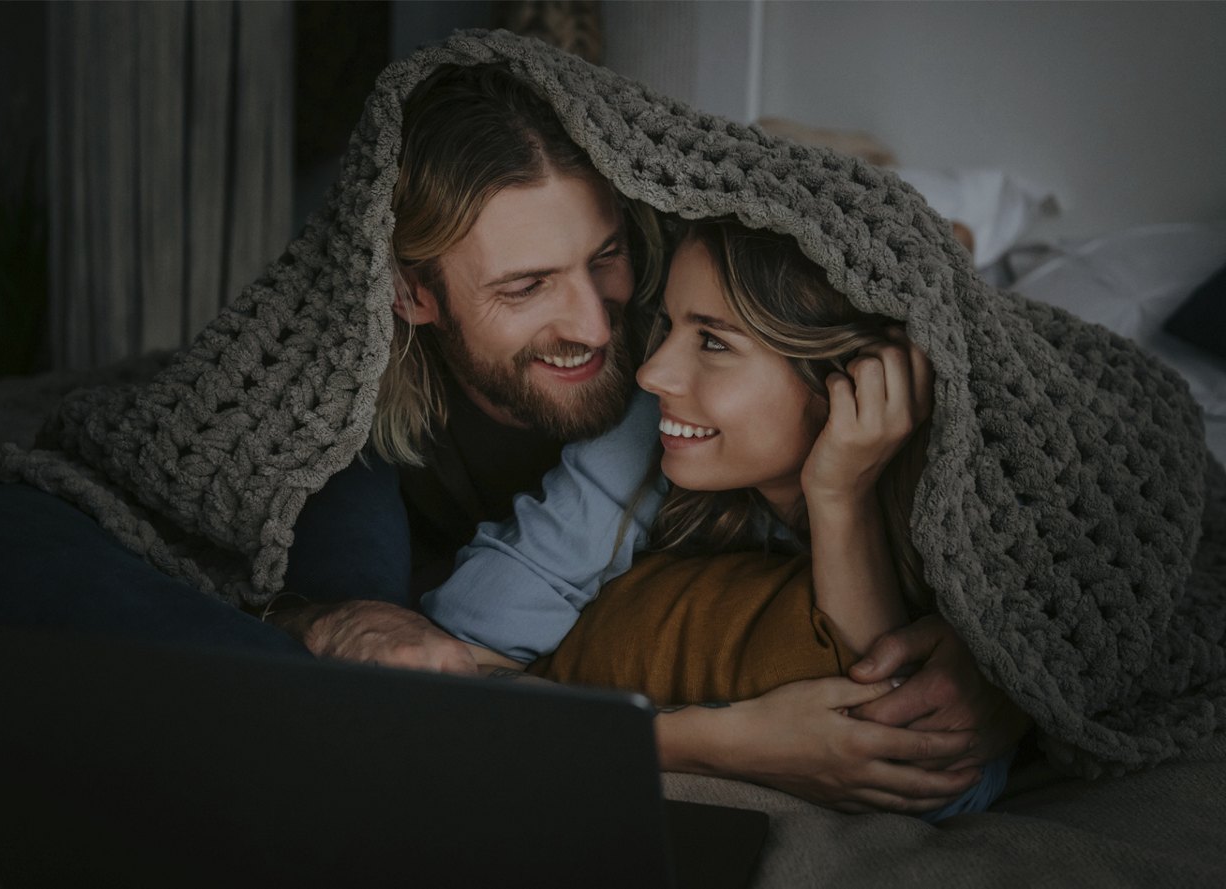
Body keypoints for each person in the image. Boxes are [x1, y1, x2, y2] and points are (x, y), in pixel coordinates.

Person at [0, 60, 1021, 812]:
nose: (605, 329)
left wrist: (998, 673)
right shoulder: (350, 399)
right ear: (414, 295)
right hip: (378, 461)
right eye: (525, 286)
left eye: (604, 257)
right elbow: (149, 491)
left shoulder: (687, 340)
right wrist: (329, 616)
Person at [433, 218, 1013, 817]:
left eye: (714, 342)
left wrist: (841, 493)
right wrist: (713, 743)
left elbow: (919, 772)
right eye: (667, 323)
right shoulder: (643, 432)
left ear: (856, 382)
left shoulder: (981, 484)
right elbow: (447, 670)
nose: (651, 373)